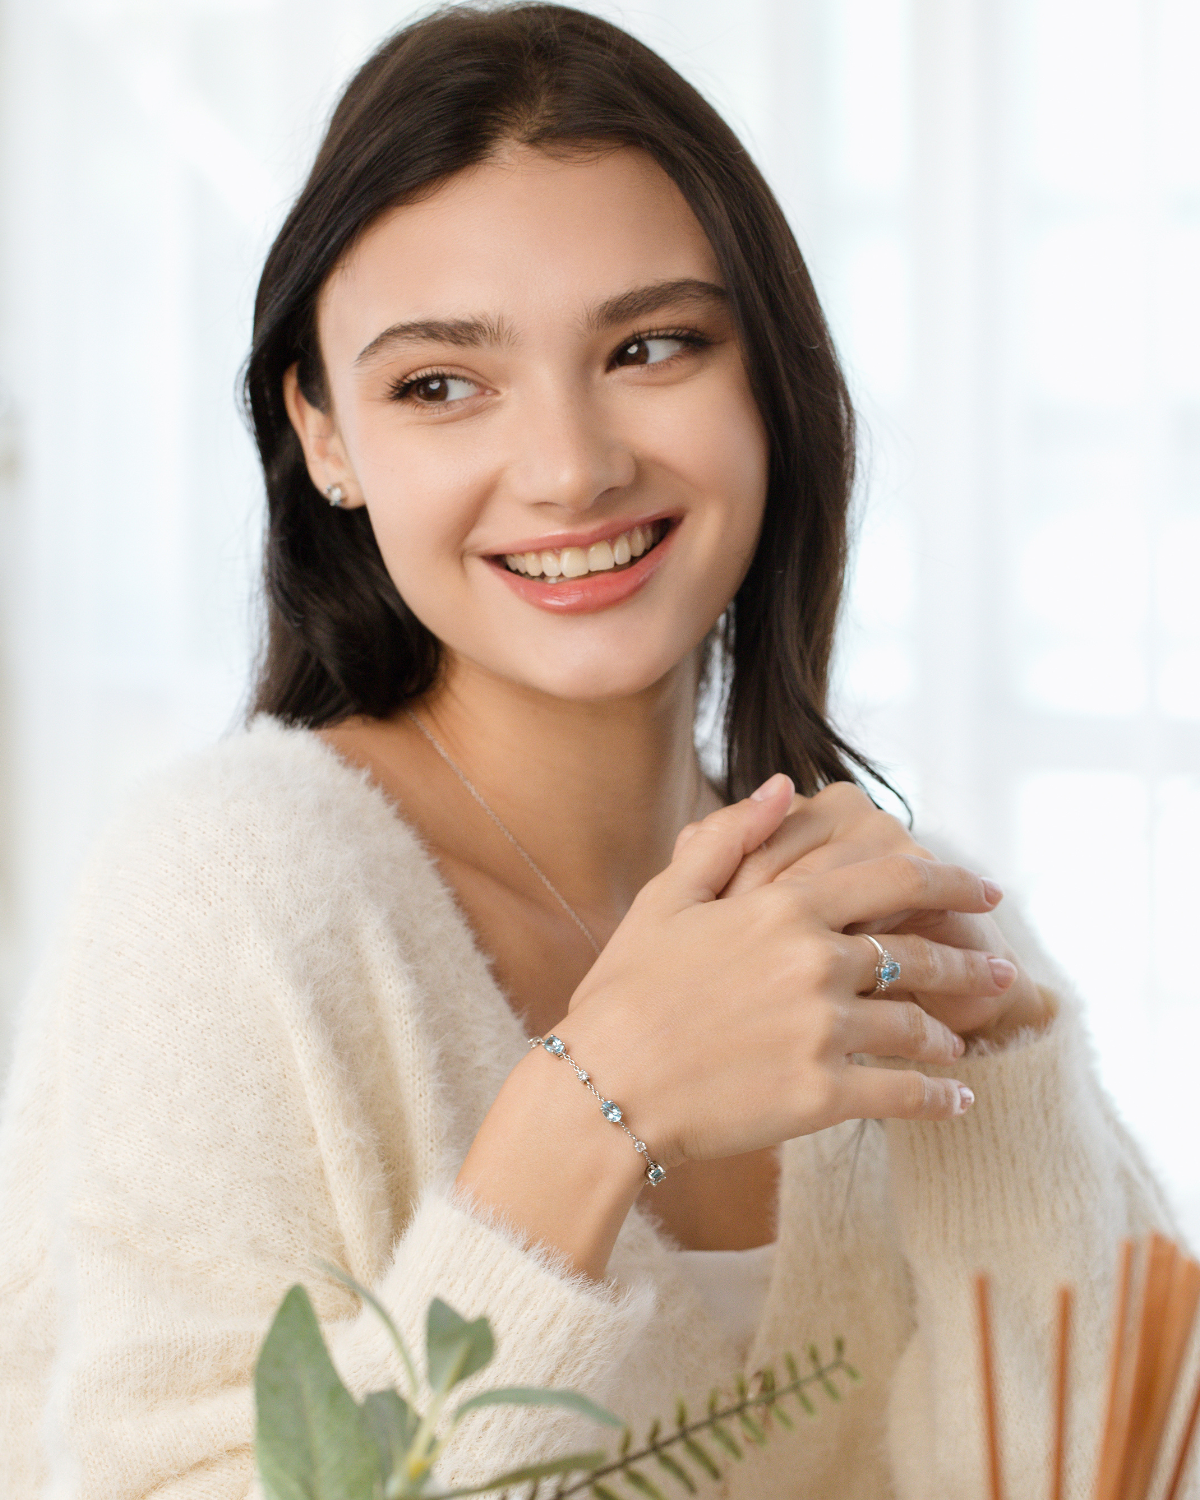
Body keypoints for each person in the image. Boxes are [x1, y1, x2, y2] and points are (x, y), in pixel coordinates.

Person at [0, 5, 1177, 1497]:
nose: (569, 465)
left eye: (651, 345)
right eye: (441, 382)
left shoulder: (888, 926)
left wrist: (1007, 1090)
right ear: (325, 435)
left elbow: (1115, 1460)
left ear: (768, 380)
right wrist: (590, 1109)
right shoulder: (222, 899)